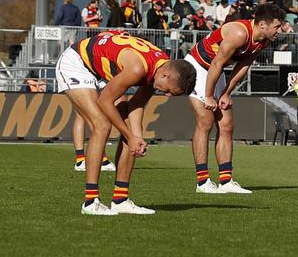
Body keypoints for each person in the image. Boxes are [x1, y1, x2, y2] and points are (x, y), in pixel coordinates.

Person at [56, 31, 195, 215]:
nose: (168, 96)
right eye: (170, 91)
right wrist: (130, 136)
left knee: (131, 132)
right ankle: (90, 202)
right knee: (101, 125)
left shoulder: (159, 67)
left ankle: (120, 199)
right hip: (75, 62)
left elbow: (136, 105)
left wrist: (136, 138)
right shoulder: (138, 69)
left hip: (97, 65)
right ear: (165, 76)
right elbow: (104, 101)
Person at [188, 3, 286, 194]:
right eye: (277, 26)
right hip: (199, 68)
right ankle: (202, 182)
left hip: (216, 71)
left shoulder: (263, 40)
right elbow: (217, 63)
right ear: (263, 25)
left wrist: (226, 93)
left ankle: (225, 180)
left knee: (226, 124)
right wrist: (209, 96)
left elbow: (243, 65)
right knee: (206, 122)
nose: (279, 31)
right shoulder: (240, 33)